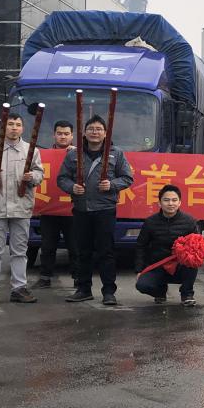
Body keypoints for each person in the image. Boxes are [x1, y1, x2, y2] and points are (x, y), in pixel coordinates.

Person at [56, 114, 134, 306]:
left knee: (106, 252)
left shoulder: (116, 153)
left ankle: (108, 292)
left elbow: (127, 178)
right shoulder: (74, 155)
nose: (94, 132)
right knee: (83, 251)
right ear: (84, 133)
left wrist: (112, 185)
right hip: (81, 209)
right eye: (91, 129)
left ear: (106, 133)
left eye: (99, 129)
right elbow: (62, 178)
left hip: (105, 209)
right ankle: (83, 289)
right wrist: (72, 187)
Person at [0, 113, 44, 305]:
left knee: (20, 250)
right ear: (3, 127)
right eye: (10, 124)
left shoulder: (31, 150)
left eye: (18, 124)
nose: (14, 127)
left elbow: (40, 173)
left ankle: (19, 288)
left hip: (21, 206)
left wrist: (33, 177)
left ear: (23, 128)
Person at [135, 184, 201, 306]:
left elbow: (197, 246)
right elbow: (141, 246)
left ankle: (187, 294)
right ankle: (160, 291)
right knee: (142, 285)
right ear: (159, 203)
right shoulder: (150, 222)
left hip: (180, 266)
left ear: (180, 203)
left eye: (174, 200)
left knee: (192, 261)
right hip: (157, 265)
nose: (170, 204)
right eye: (166, 200)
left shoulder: (189, 221)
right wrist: (139, 269)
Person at [36, 119, 78, 288]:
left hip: (72, 208)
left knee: (75, 246)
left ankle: (78, 279)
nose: (63, 137)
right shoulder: (44, 155)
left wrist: (77, 153)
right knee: (47, 245)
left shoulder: (79, 154)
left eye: (66, 134)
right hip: (49, 208)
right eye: (59, 133)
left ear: (72, 136)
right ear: (54, 135)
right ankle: (45, 277)